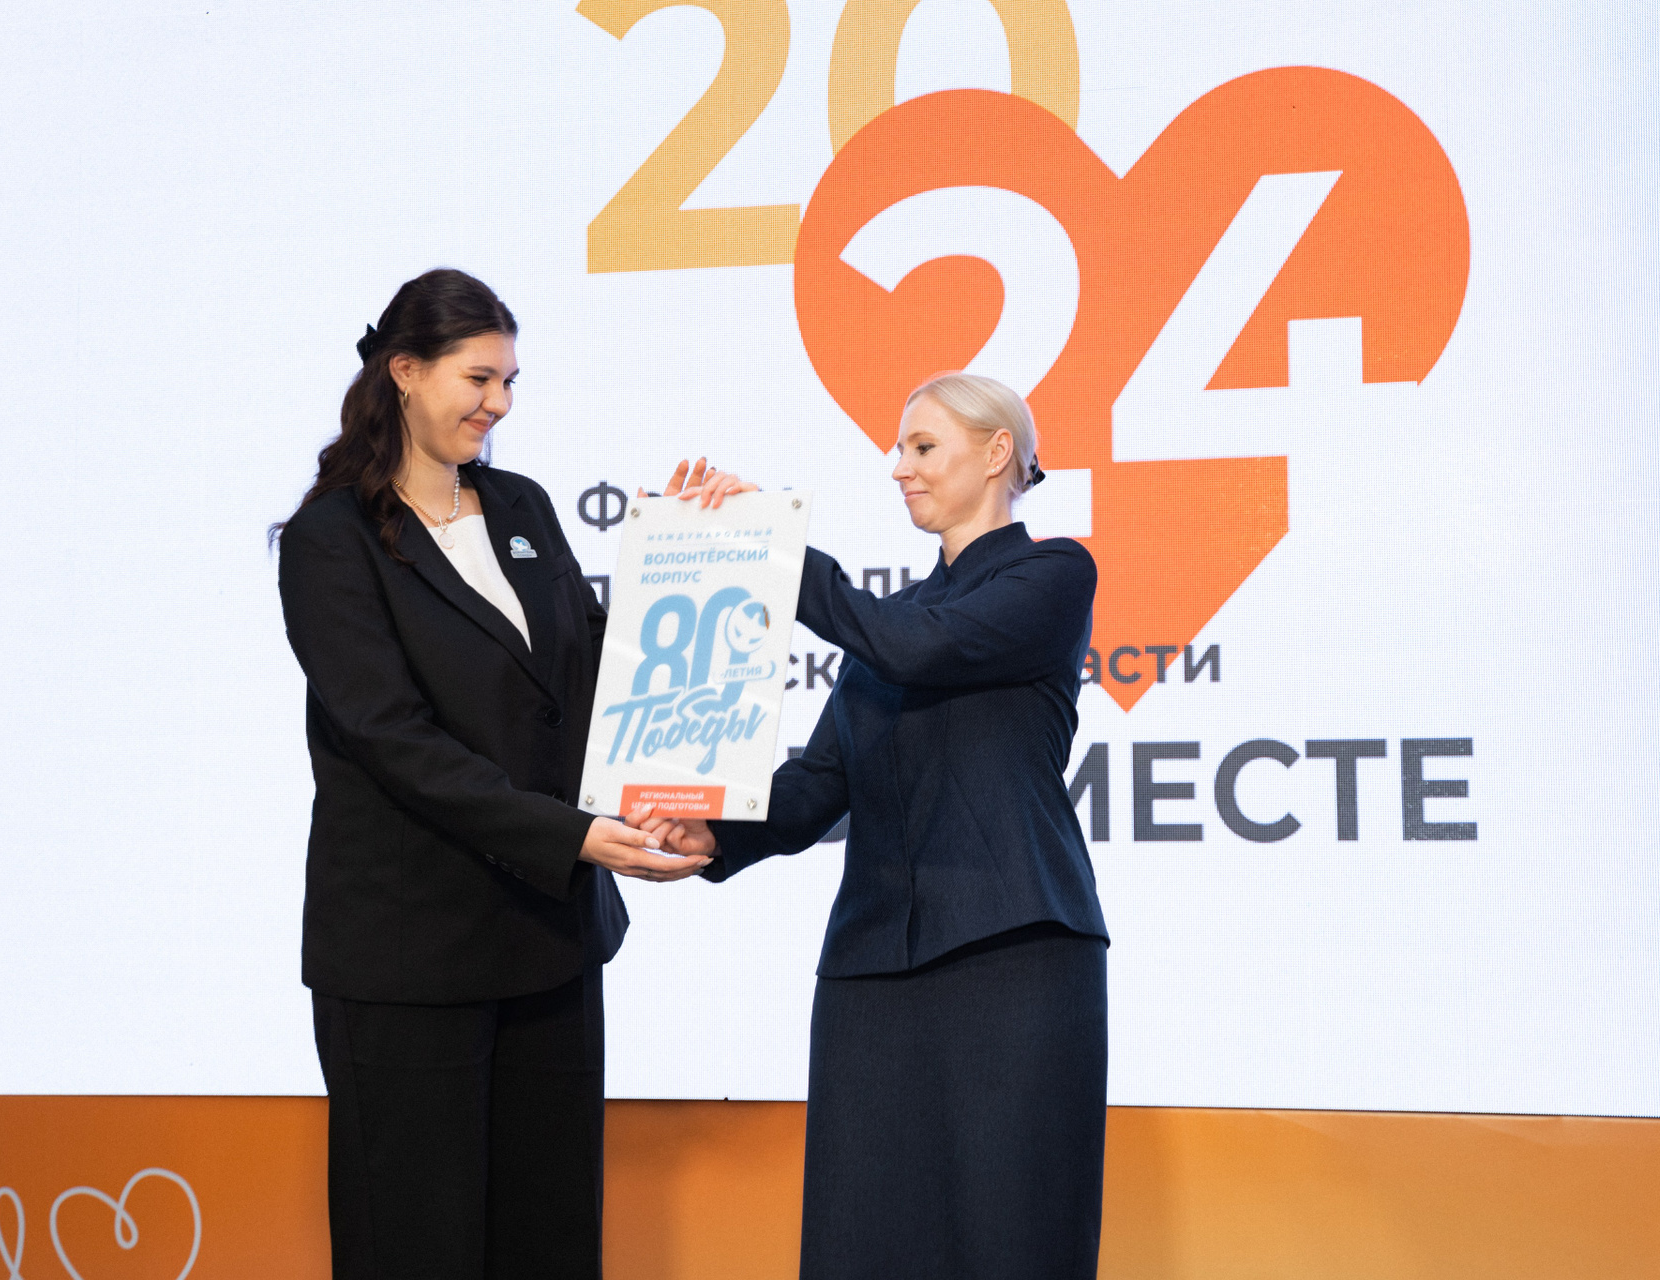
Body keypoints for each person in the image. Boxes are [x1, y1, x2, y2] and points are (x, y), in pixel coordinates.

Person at [274, 268, 708, 1280]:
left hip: (549, 941)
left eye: (510, 381)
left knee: (550, 1241)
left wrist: (690, 554)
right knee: (415, 1245)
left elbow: (591, 668)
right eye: (478, 378)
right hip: (409, 956)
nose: (499, 403)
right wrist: (570, 835)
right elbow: (393, 738)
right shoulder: (332, 539)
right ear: (405, 371)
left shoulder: (521, 504)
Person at [636, 373, 1110, 1279]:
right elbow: (820, 782)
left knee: (1012, 1232)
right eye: (898, 450)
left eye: (922, 447)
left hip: (1011, 953)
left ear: (997, 453)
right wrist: (714, 832)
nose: (899, 468)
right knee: (865, 1234)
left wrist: (770, 545)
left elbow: (921, 650)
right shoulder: (895, 620)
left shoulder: (1051, 574)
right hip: (871, 968)